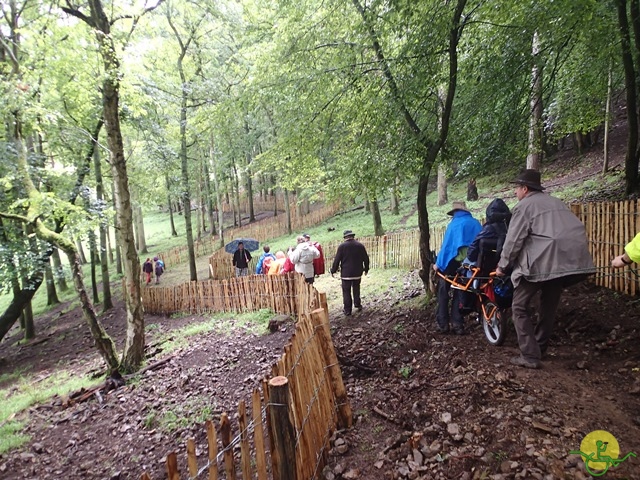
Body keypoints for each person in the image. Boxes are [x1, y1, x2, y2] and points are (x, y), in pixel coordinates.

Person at [496, 169, 595, 369]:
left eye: (517, 188)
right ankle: (540, 347)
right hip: (566, 262)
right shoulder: (557, 203)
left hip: (540, 262)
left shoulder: (524, 206)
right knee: (548, 307)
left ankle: (530, 355)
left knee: (519, 306)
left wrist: (502, 265)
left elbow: (514, 240)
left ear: (525, 189)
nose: (515, 192)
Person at [432, 201, 482, 335]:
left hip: (453, 263)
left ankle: (442, 324)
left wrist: (438, 265)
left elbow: (447, 248)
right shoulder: (476, 223)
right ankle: (457, 323)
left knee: (443, 289)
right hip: (471, 265)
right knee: (460, 290)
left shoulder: (453, 225)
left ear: (454, 213)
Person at [330, 229, 370, 316]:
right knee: (356, 288)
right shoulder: (360, 245)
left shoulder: (342, 246)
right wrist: (366, 269)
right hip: (357, 272)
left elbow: (337, 260)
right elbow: (366, 258)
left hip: (346, 273)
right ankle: (357, 304)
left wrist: (333, 270)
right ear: (353, 236)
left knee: (346, 291)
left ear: (345, 237)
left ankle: (347, 310)